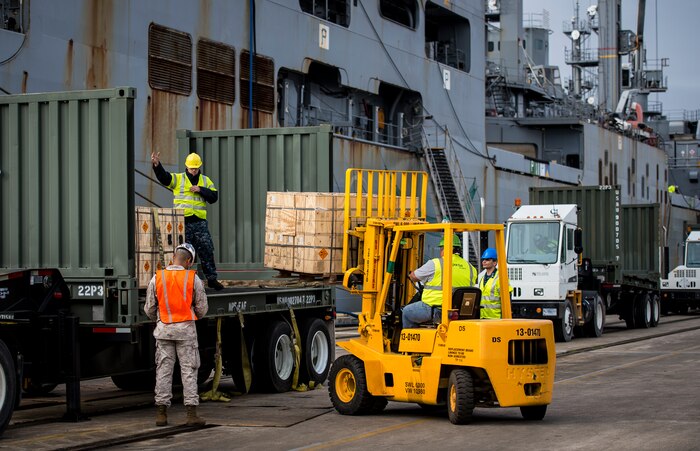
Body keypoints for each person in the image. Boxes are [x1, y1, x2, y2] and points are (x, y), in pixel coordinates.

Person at [145, 243, 209, 427]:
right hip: (186, 332)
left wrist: (160, 318)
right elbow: (202, 308)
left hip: (164, 330)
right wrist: (191, 314)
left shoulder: (157, 277)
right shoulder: (192, 278)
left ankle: (161, 414)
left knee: (164, 370)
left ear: (174, 257)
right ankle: (191, 414)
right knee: (188, 371)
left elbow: (149, 308)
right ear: (189, 261)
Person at [151, 151, 224, 290]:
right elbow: (165, 178)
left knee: (207, 249)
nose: (194, 171)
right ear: (187, 167)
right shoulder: (179, 179)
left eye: (196, 168)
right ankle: (181, 280)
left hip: (200, 223)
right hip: (182, 223)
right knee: (183, 252)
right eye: (192, 168)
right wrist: (157, 165)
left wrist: (200, 190)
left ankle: (212, 279)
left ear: (199, 167)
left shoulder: (205, 180)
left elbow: (214, 196)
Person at [403, 235, 478, 328]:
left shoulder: (435, 263)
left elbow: (414, 277)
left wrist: (411, 274)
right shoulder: (471, 268)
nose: (441, 251)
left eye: (441, 248)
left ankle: (411, 342)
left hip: (435, 309)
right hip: (461, 311)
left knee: (406, 312)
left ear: (447, 248)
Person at [477, 247, 507, 319]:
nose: (484, 261)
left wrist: (505, 318)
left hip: (495, 318)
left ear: (494, 262)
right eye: (483, 259)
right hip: (483, 317)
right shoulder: (482, 277)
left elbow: (507, 300)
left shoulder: (500, 278)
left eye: (487, 259)